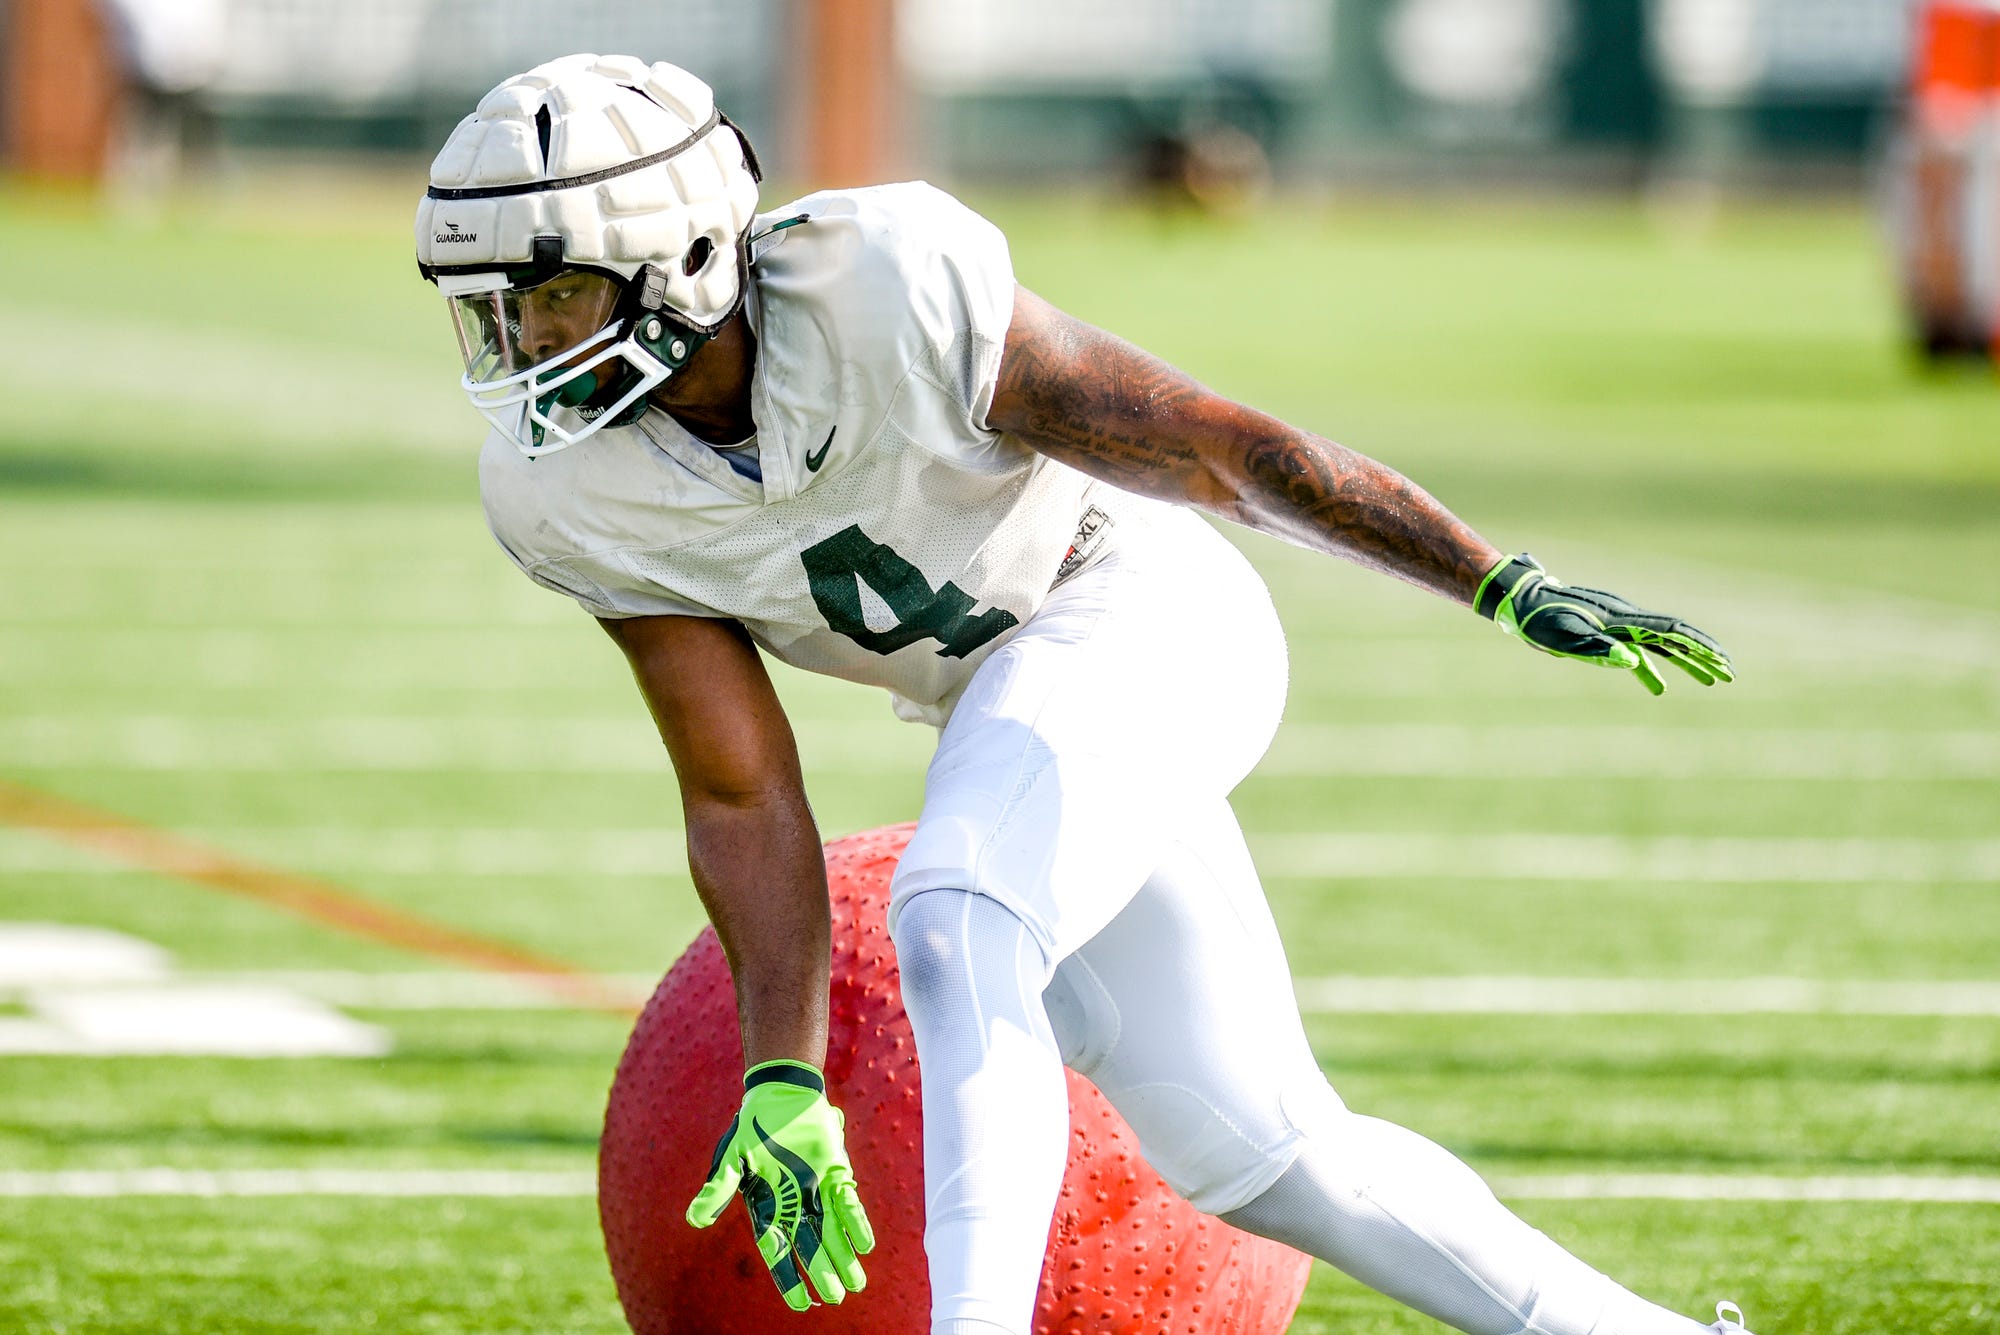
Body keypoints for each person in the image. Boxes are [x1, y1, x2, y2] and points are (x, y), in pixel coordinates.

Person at [417, 54, 1748, 1335]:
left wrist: (1486, 577)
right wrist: (781, 1070)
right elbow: (739, 785)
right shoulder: (564, 491)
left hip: (1141, 607)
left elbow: (1215, 448)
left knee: (954, 914)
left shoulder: (881, 278)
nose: (521, 337)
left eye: (554, 295)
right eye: (500, 305)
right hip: (1004, 699)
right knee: (1260, 1154)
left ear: (682, 256)